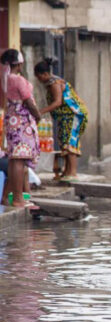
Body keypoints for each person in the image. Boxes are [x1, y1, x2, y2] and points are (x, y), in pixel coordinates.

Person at [34, 58, 89, 182]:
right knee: (64, 141)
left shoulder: (55, 83)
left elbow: (58, 102)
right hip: (66, 116)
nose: (39, 80)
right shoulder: (53, 82)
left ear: (45, 74)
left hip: (73, 114)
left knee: (70, 142)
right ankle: (66, 171)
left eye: (39, 77)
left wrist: (41, 111)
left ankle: (73, 173)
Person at [1, 49, 41, 208]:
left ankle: (7, 197)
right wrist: (37, 116)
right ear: (19, 63)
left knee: (14, 159)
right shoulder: (16, 79)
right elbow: (28, 100)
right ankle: (17, 198)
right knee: (19, 159)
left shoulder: (6, 78)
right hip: (20, 122)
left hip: (12, 120)